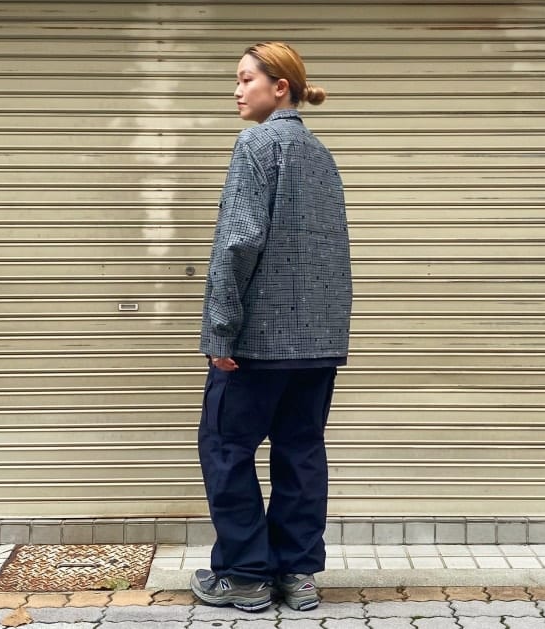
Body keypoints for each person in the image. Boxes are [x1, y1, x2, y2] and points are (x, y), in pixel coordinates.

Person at [191, 41, 352, 613]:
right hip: (318, 342)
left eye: (245, 79)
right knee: (301, 451)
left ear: (280, 87)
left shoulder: (256, 145)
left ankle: (245, 575)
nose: (236, 91)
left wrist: (220, 330)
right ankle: (297, 573)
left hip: (257, 344)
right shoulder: (319, 154)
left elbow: (237, 243)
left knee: (226, 448)